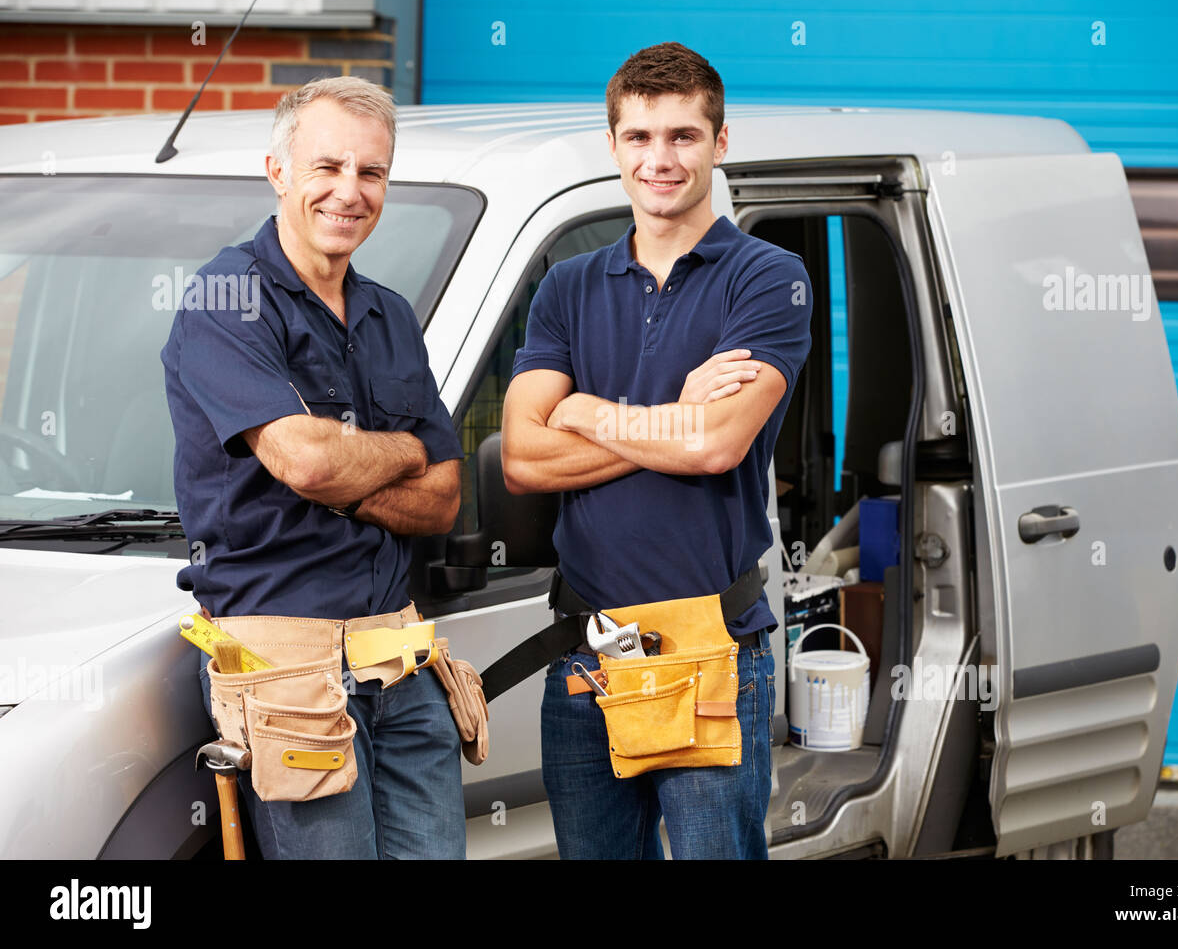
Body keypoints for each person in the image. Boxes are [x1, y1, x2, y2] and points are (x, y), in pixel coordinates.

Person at [501, 42, 813, 859]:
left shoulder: (767, 278)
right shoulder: (567, 287)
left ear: (719, 143)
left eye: (682, 135)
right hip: (587, 657)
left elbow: (715, 446)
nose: (660, 158)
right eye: (639, 137)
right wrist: (673, 413)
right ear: (613, 147)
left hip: (711, 648)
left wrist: (587, 410)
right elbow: (523, 460)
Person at [160, 76, 466, 859]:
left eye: (371, 173)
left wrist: (346, 464)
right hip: (284, 670)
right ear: (279, 171)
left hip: (398, 661)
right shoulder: (227, 299)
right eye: (326, 167)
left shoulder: (389, 314)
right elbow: (307, 463)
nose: (349, 191)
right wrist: (400, 451)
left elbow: (442, 501)